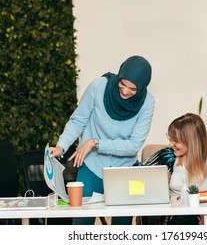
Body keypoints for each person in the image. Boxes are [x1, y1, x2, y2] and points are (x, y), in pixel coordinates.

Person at [50, 55, 154, 225]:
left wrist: (95, 142)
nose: (125, 91)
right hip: (92, 166)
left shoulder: (147, 102)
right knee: (81, 223)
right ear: (120, 76)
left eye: (133, 89)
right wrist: (61, 146)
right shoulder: (98, 87)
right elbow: (78, 121)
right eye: (123, 84)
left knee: (122, 228)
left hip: (125, 170)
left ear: (142, 88)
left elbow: (133, 146)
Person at [138, 113, 207, 225]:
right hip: (176, 213)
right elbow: (136, 174)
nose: (170, 144)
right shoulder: (166, 156)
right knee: (188, 215)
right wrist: (158, 183)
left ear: (191, 141)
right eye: (170, 138)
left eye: (176, 141)